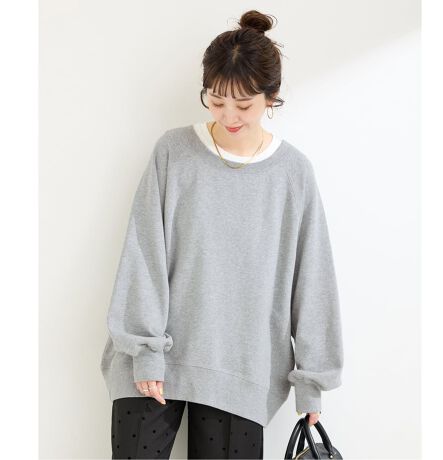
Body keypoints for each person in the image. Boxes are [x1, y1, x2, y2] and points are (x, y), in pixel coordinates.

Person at [100, 9, 344, 459]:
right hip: (153, 359)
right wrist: (146, 351)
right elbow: (144, 254)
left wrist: (312, 380)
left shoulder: (292, 174)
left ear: (271, 97)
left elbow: (312, 279)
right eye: (215, 100)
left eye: (244, 105)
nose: (229, 115)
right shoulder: (174, 152)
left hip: (240, 370)